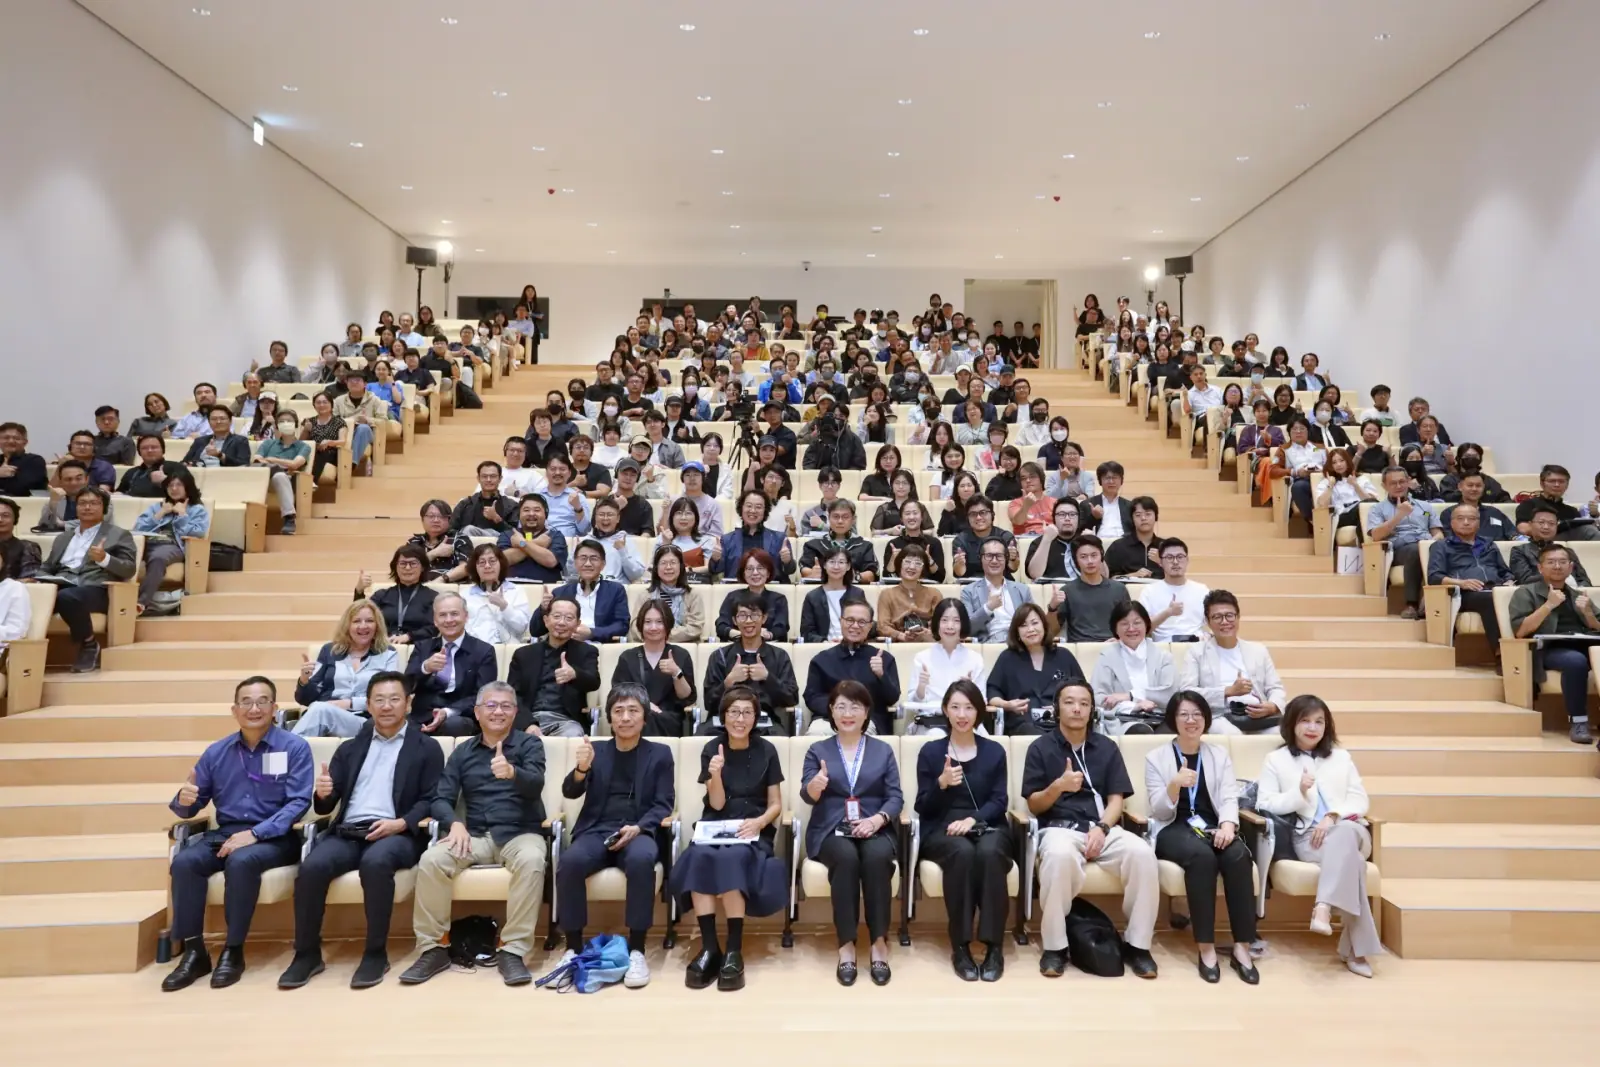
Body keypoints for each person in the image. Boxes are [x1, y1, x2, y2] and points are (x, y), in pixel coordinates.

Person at [277, 671, 444, 990]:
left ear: (408, 704)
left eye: (394, 699)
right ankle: (307, 954)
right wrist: (323, 794)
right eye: (379, 700)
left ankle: (375, 953)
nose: (386, 706)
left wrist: (401, 823)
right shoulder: (350, 748)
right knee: (312, 867)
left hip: (397, 833)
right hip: (348, 831)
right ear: (368, 705)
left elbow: (432, 798)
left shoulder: (427, 747)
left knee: (376, 863)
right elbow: (326, 806)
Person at [161, 677, 313, 991]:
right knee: (185, 862)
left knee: (242, 861)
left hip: (274, 837)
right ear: (234, 710)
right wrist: (184, 800)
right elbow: (191, 804)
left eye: (262, 701)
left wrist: (256, 833)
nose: (254, 708)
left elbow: (298, 802)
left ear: (274, 707)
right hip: (226, 832)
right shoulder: (217, 752)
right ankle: (194, 952)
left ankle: (233, 951)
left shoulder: (293, 747)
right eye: (246, 702)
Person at [400, 681, 550, 988]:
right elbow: (441, 798)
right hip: (474, 835)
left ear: (515, 712)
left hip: (520, 832)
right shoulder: (463, 752)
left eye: (505, 706)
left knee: (533, 860)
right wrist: (454, 823)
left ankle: (513, 950)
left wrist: (513, 773)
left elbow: (536, 783)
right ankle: (433, 948)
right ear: (478, 713)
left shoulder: (529, 745)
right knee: (432, 860)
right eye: (491, 706)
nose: (498, 712)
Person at [1022, 680, 1160, 978]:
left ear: (1092, 710)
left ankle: (1138, 946)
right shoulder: (1040, 748)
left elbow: (1116, 800)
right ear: (1057, 708)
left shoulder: (1106, 747)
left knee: (1142, 854)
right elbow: (1034, 805)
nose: (1077, 709)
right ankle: (1055, 947)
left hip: (1101, 827)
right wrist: (1058, 787)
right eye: (1069, 702)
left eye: (1084, 703)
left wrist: (1102, 828)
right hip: (1058, 828)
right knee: (1058, 857)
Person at [555, 685, 676, 989]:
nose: (625, 718)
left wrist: (640, 827)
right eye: (618, 711)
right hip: (597, 828)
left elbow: (664, 803)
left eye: (633, 711)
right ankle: (573, 948)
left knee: (641, 860)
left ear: (645, 717)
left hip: (639, 829)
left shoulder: (660, 754)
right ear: (609, 717)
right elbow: (571, 791)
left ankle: (637, 949)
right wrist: (581, 768)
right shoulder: (596, 750)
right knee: (570, 862)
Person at [669, 687, 786, 991]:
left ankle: (734, 949)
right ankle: (710, 948)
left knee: (734, 858)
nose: (740, 719)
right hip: (716, 823)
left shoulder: (767, 750)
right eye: (734, 712)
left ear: (756, 718)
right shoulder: (712, 748)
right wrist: (715, 775)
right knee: (699, 857)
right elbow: (717, 803)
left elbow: (776, 804)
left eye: (747, 713)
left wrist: (759, 823)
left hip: (752, 827)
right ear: (723, 716)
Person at [1256, 696, 1381, 977]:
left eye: (1319, 722)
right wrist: (1298, 792)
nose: (1313, 728)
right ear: (1292, 724)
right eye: (1305, 721)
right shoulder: (1276, 760)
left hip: (1350, 830)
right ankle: (1355, 951)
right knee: (1353, 865)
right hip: (1309, 839)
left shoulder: (1341, 757)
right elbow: (1266, 803)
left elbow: (1360, 800)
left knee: (1345, 834)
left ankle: (1323, 906)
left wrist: (1333, 816)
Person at [1145, 691, 1260, 983]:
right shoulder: (1156, 757)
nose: (1191, 720)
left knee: (1238, 855)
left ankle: (1242, 947)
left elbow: (1229, 798)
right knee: (1202, 857)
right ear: (1173, 719)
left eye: (1197, 714)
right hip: (1173, 828)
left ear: (1206, 719)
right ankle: (1206, 948)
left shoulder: (1218, 755)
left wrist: (1228, 827)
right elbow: (1159, 810)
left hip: (1211, 826)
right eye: (1184, 714)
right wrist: (1174, 784)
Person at [800, 680, 903, 986]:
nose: (847, 713)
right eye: (841, 706)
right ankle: (846, 945)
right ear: (831, 711)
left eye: (855, 706)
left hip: (874, 826)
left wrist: (878, 820)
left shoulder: (883, 750)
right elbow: (807, 795)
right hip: (831, 829)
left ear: (866, 712)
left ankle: (878, 943)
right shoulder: (817, 750)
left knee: (877, 858)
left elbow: (895, 797)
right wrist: (814, 786)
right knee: (845, 858)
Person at [914, 679, 1012, 981]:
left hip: (987, 824)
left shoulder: (994, 751)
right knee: (962, 852)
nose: (961, 714)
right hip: (942, 828)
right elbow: (922, 806)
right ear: (945, 710)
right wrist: (941, 784)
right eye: (955, 707)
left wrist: (974, 820)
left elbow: (1000, 800)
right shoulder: (931, 752)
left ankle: (994, 946)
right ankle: (960, 945)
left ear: (979, 711)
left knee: (990, 853)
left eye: (968, 707)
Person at [38, 487, 136, 673]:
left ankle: (89, 644)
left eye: (94, 503)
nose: (87, 507)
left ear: (104, 508)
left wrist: (104, 558)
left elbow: (129, 569)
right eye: (82, 503)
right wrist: (35, 579)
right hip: (61, 585)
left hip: (96, 589)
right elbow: (48, 566)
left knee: (66, 596)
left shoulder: (119, 534)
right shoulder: (63, 537)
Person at [1509, 544, 1600, 744]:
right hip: (1548, 649)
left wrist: (1588, 614)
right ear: (1540, 568)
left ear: (1571, 567)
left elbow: (1597, 626)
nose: (1557, 566)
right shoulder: (1525, 593)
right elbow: (1520, 631)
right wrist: (1549, 605)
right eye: (1551, 562)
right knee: (1575, 661)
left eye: (1562, 562)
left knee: (1582, 656)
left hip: (1584, 645)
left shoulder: (1578, 595)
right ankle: (1579, 722)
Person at [1179, 590, 1288, 733]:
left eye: (1229, 615)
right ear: (1208, 621)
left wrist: (1272, 706)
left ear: (1238, 617)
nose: (1225, 622)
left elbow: (1275, 688)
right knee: (1231, 734)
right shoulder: (1196, 652)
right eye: (1217, 617)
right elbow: (1187, 692)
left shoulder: (1258, 650)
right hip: (1219, 715)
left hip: (1257, 715)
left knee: (1281, 733)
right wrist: (1228, 691)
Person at [292, 599, 401, 737]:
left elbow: (390, 696)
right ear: (347, 626)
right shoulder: (329, 651)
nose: (363, 626)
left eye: (369, 621)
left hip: (365, 721)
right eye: (356, 621)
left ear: (377, 625)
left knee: (320, 710)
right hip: (325, 714)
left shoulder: (388, 654)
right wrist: (304, 680)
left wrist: (349, 703)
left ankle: (286, 749)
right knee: (318, 710)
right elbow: (306, 700)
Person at [1428, 504, 1516, 664]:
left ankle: (1530, 651)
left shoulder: (1489, 544)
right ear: (1452, 523)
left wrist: (1509, 582)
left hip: (1495, 589)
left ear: (1478, 522)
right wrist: (1461, 583)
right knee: (1490, 600)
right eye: (1460, 518)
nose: (1466, 522)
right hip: (1463, 594)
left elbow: (1505, 572)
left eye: (1471, 518)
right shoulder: (1441, 546)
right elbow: (1434, 577)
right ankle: (1502, 655)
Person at [403, 594, 499, 735]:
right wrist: (425, 668)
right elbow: (405, 686)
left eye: (454, 614)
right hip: (422, 716)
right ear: (435, 621)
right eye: (442, 615)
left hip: (460, 716)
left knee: (453, 725)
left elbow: (484, 695)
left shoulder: (483, 651)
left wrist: (447, 712)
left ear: (466, 616)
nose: (449, 620)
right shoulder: (422, 648)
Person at [705, 591, 800, 732]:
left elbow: (791, 699)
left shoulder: (779, 656)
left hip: (765, 723)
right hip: (725, 722)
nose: (749, 621)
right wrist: (728, 682)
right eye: (742, 615)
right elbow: (708, 703)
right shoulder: (720, 656)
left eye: (754, 615)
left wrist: (768, 678)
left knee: (778, 737)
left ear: (764, 618)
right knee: (703, 735)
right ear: (735, 621)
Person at [505, 595, 600, 737]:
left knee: (573, 736)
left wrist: (575, 674)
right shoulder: (523, 654)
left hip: (566, 721)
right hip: (530, 718)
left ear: (577, 624)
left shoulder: (586, 651)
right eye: (557, 616)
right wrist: (528, 724)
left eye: (569, 618)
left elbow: (594, 681)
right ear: (546, 620)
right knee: (517, 740)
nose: (561, 622)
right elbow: (512, 695)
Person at [986, 603, 1084, 735]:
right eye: (1023, 625)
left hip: (1061, 722)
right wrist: (1007, 705)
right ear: (1017, 632)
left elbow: (1083, 691)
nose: (1030, 629)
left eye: (1035, 623)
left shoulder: (1064, 656)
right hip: (1023, 724)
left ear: (1044, 625)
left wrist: (1063, 708)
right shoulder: (1007, 658)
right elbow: (992, 692)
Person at [612, 599, 698, 737]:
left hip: (668, 720)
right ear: (640, 626)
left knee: (654, 719)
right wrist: (646, 705)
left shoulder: (681, 655)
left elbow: (687, 696)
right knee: (645, 718)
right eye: (648, 622)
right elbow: (619, 693)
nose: (653, 627)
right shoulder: (627, 657)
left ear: (668, 625)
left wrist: (676, 672)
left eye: (659, 622)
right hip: (633, 717)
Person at [1091, 602, 1179, 734]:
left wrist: (1131, 696)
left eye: (1137, 623)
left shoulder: (1163, 656)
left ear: (1146, 625)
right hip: (1123, 720)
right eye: (1124, 624)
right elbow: (1098, 697)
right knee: (1140, 731)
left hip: (1160, 716)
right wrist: (1132, 706)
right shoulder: (1107, 657)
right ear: (1115, 628)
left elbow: (1171, 693)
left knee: (1173, 733)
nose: (1131, 629)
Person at [130, 469, 209, 614]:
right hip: (146, 542)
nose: (174, 489)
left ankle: (139, 602)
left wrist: (182, 515)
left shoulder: (197, 510)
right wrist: (161, 513)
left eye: (178, 485)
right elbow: (138, 528)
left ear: (187, 487)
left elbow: (197, 533)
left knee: (158, 557)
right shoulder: (157, 507)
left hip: (171, 545)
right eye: (170, 485)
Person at [1367, 465, 1440, 620]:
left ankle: (1434, 601)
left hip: (1427, 544)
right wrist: (1399, 515)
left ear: (1408, 481)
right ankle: (1411, 604)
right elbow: (1376, 535)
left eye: (1402, 481)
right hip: (1400, 549)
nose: (1399, 486)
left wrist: (1433, 542)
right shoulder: (1377, 509)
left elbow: (1437, 532)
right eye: (1393, 483)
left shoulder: (1424, 507)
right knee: (1415, 550)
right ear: (1384, 486)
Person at [529, 539, 629, 642]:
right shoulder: (560, 593)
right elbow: (535, 631)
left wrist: (592, 633)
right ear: (575, 563)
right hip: (565, 645)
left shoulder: (615, 590)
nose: (588, 564)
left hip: (599, 645)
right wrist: (543, 609)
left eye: (594, 558)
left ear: (603, 564)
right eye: (583, 558)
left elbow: (622, 626)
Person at [1055, 535, 1131, 643]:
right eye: (1083, 557)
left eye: (1094, 555)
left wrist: (1119, 640)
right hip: (1080, 647)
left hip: (1113, 646)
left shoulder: (1119, 589)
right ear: (1076, 560)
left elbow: (1128, 623)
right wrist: (1052, 608)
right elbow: (1052, 631)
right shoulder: (1067, 591)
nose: (1090, 561)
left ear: (1101, 556)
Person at [357, 545, 437, 645]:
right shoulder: (382, 595)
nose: (407, 568)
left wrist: (409, 636)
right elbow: (360, 615)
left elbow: (434, 627)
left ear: (422, 567)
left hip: (417, 648)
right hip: (383, 645)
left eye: (413, 563)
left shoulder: (433, 597)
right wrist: (359, 591)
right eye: (403, 563)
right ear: (395, 567)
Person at [961, 537, 1033, 643]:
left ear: (1006, 559)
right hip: (988, 645)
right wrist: (988, 608)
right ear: (981, 559)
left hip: (1019, 644)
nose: (994, 561)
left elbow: (1034, 621)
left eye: (999, 556)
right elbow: (967, 629)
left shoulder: (1022, 590)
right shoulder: (969, 591)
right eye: (989, 556)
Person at [1139, 538, 1210, 641]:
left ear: (1187, 560)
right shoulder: (1149, 591)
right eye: (1169, 557)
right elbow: (1142, 629)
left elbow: (1213, 621)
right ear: (1160, 562)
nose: (1175, 562)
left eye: (1180, 557)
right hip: (1162, 645)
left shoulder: (1202, 590)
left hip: (1195, 644)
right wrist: (1168, 612)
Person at [1511, 502, 1593, 585]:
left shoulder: (1568, 552)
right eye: (1541, 522)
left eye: (1551, 523)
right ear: (1530, 524)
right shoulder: (1520, 551)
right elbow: (1525, 580)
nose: (1546, 527)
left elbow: (1585, 581)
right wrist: (1558, 577)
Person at [721, 490, 794, 581]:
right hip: (738, 587)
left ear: (765, 511)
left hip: (770, 587)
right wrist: (715, 559)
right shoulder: (727, 540)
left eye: (758, 507)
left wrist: (787, 561)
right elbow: (715, 570)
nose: (753, 510)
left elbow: (790, 570)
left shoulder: (779, 539)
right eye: (749, 506)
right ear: (741, 508)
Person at [798, 500, 878, 583]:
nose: (840, 521)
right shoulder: (813, 545)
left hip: (853, 588)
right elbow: (804, 569)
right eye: (836, 517)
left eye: (845, 517)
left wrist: (856, 576)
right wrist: (812, 573)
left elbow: (872, 573)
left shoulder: (865, 546)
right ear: (828, 518)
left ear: (853, 519)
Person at [1515, 464, 1600, 541]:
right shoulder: (1528, 504)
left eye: (1561, 481)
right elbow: (1523, 529)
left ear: (1567, 485)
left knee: (1589, 530)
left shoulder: (1572, 511)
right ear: (1542, 484)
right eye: (1552, 481)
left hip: (1569, 547)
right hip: (1541, 542)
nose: (1557, 485)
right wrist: (1554, 527)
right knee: (1588, 531)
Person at [876, 544, 942, 642]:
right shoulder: (886, 594)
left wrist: (928, 633)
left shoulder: (934, 594)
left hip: (928, 643)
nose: (912, 567)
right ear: (899, 564)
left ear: (923, 569)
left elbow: (940, 624)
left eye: (918, 563)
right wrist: (901, 636)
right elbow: (882, 627)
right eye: (907, 562)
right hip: (898, 644)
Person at [1104, 497, 1166, 579]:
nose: (1143, 518)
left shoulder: (1166, 547)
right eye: (1138, 515)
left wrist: (1162, 562)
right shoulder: (1118, 547)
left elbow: (1177, 576)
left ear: (1156, 517)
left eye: (1148, 514)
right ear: (1132, 519)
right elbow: (1107, 578)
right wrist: (1131, 576)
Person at [453, 461, 516, 538]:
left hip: (499, 543)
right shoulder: (464, 504)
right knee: (468, 529)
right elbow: (451, 530)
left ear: (500, 479)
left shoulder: (511, 505)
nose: (488, 480)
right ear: (478, 479)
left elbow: (517, 535)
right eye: (484, 476)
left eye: (493, 476)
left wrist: (497, 519)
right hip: (469, 543)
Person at [119, 434, 187, 499]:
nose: (149, 450)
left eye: (154, 447)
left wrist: (165, 481)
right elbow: (119, 493)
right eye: (144, 448)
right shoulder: (131, 472)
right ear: (139, 452)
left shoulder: (177, 468)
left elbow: (189, 494)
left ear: (163, 450)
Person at [182, 406, 250, 468]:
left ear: (230, 421)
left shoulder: (240, 441)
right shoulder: (199, 441)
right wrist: (188, 464)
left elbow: (243, 464)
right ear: (209, 422)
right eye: (214, 419)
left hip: (224, 475)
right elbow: (184, 462)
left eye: (222, 418)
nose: (218, 422)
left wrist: (220, 455)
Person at [0, 422, 49, 497]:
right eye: (6, 438)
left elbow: (21, 489)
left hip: (25, 503)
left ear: (25, 442)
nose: (11, 441)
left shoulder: (35, 460)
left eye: (16, 438)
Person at [0, 497, 42, 581]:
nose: (0, 520)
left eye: (5, 515)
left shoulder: (28, 547)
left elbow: (30, 579)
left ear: (15, 520)